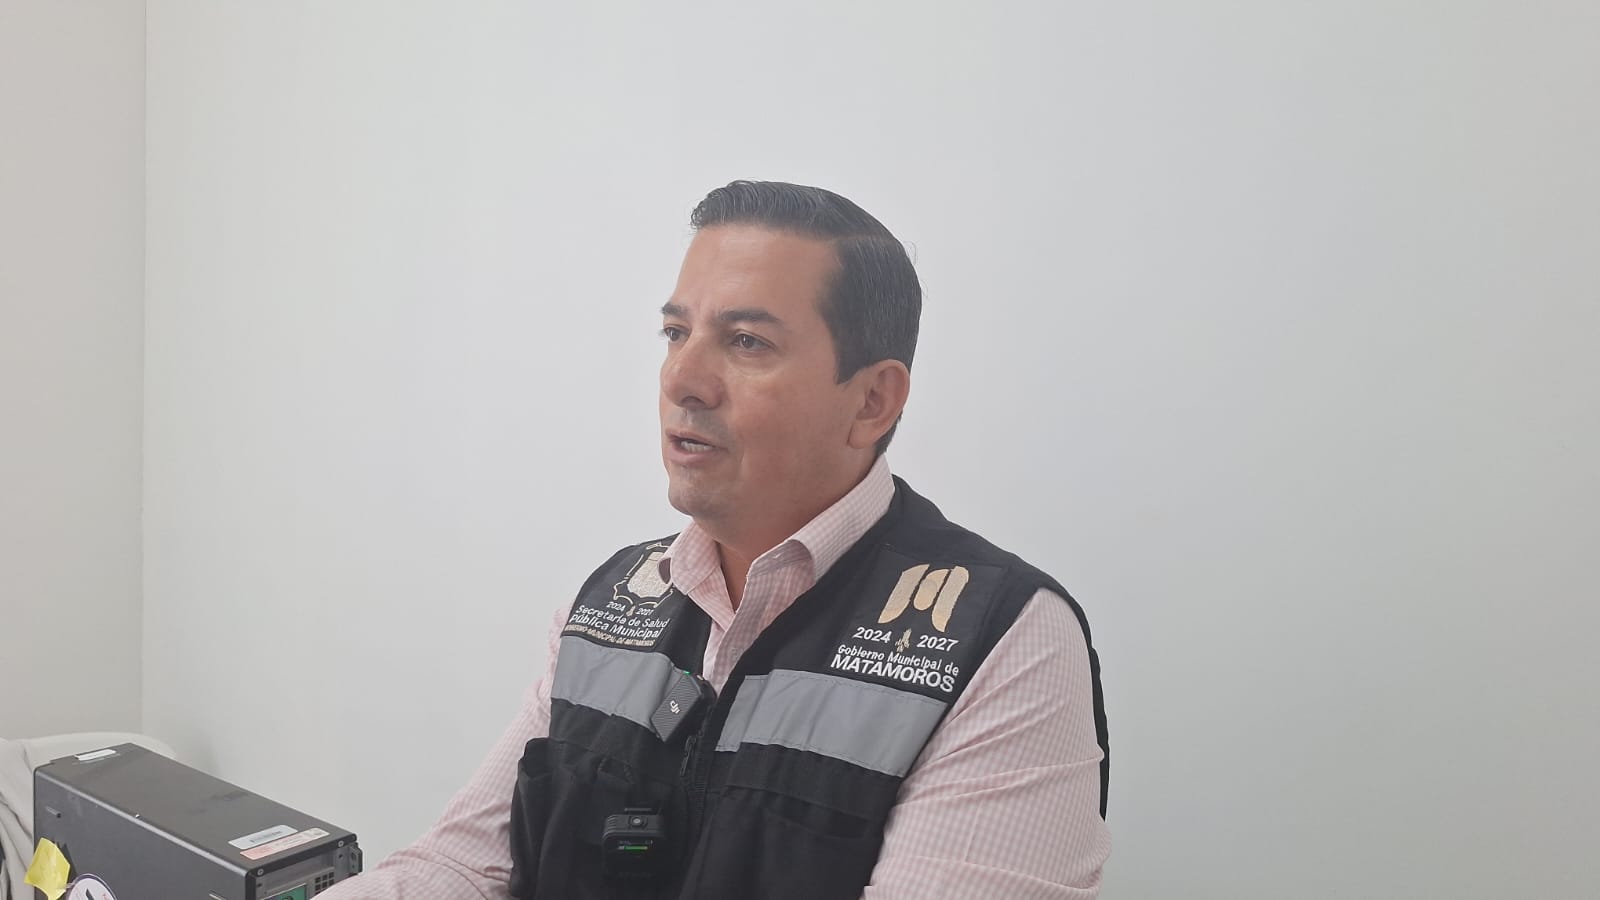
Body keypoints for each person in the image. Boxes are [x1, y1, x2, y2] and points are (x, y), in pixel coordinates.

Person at [320, 181, 1110, 899]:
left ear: (872, 400)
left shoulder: (1000, 639)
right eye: (676, 332)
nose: (681, 379)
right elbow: (461, 868)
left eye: (746, 342)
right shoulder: (610, 603)